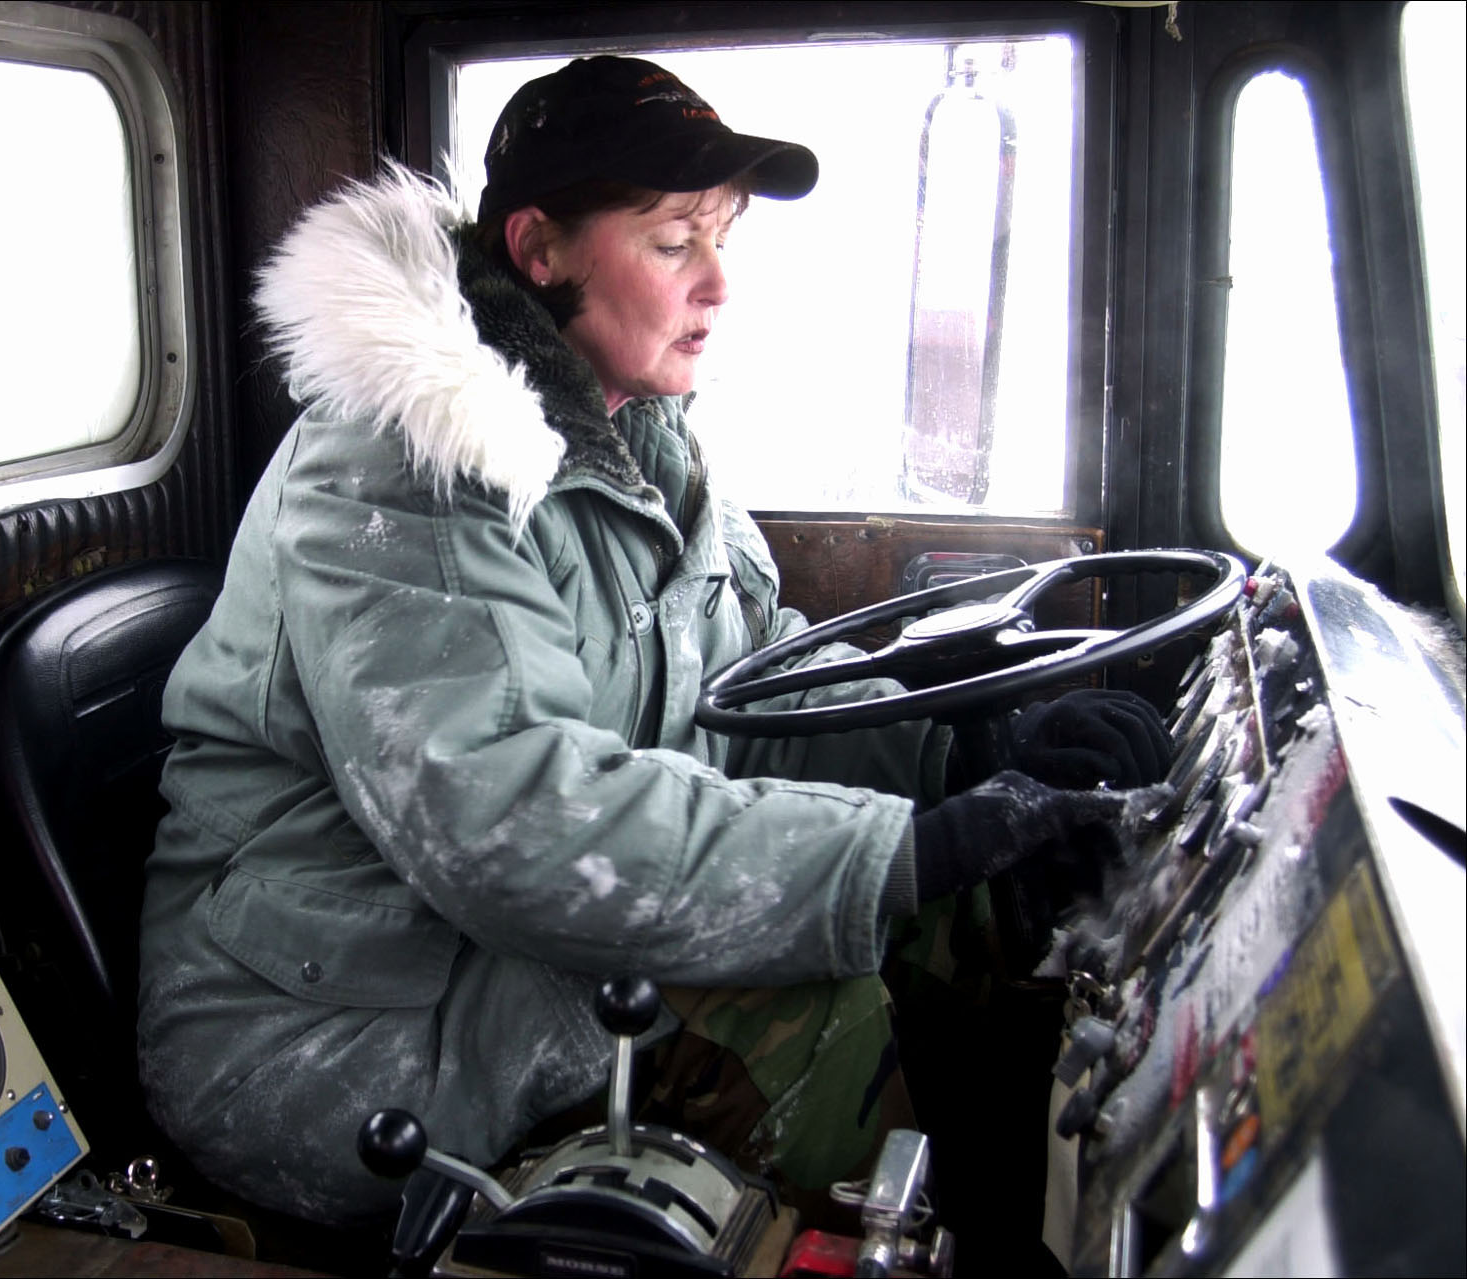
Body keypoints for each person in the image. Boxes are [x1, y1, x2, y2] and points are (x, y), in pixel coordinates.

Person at [135, 55, 1170, 1229]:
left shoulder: (644, 436)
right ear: (542, 251)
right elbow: (508, 815)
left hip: (502, 948)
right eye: (676, 240)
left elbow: (750, 678)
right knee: (833, 1033)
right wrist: (900, 848)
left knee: (986, 914)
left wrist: (965, 761)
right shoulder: (401, 466)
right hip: (331, 1025)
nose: (720, 281)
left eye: (724, 236)